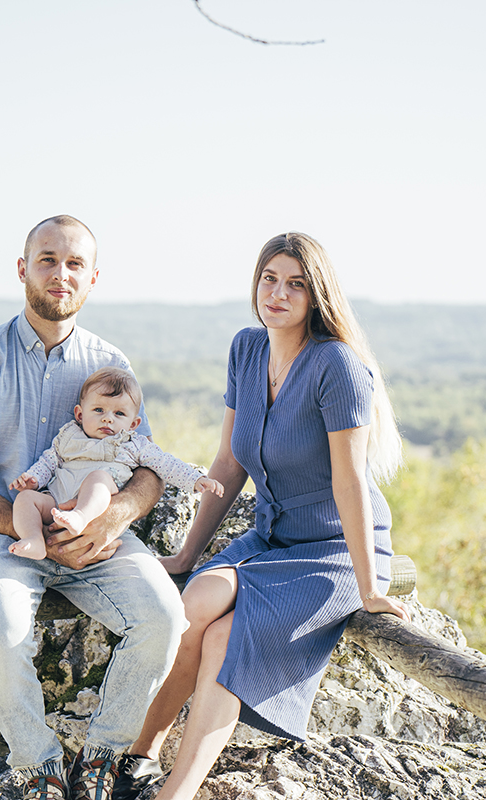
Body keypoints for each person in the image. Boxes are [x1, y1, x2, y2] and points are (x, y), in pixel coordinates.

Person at [112, 232, 411, 800]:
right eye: (269, 278)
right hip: (268, 538)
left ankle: (175, 792)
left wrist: (372, 588)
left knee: (226, 638)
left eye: (295, 284)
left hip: (334, 551)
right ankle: (138, 757)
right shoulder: (246, 350)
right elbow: (229, 461)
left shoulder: (337, 366)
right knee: (193, 605)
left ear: (316, 296)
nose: (277, 293)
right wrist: (187, 555)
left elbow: (349, 483)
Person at [0, 215, 187, 800]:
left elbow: (146, 467)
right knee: (1, 629)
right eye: (47, 259)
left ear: (92, 278)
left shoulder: (109, 365)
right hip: (1, 535)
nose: (60, 273)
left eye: (74, 263)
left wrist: (119, 514)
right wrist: (42, 536)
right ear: (23, 269)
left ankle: (101, 758)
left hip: (98, 536)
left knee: (164, 618)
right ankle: (38, 764)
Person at [9, 366, 224, 560]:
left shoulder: (132, 444)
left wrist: (195, 479)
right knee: (25, 499)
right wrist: (33, 479)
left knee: (98, 478)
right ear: (80, 414)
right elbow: (48, 461)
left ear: (133, 424)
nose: (107, 418)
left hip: (97, 510)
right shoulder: (67, 436)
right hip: (57, 503)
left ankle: (80, 516)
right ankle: (34, 540)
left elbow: (165, 463)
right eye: (99, 410)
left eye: (119, 413)